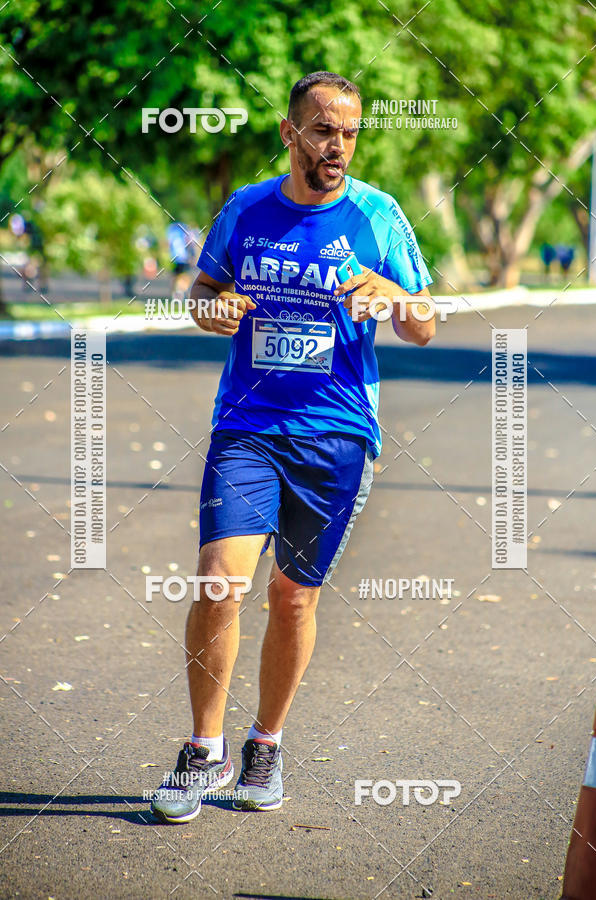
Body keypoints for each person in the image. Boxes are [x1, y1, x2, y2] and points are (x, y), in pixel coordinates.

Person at [151, 71, 435, 824]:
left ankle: (265, 744)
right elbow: (202, 291)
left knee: (292, 595)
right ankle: (201, 750)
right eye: (321, 130)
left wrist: (391, 294)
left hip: (338, 434)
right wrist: (214, 311)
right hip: (248, 427)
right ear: (290, 133)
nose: (336, 145)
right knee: (220, 581)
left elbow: (425, 323)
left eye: (348, 132)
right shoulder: (246, 210)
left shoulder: (378, 216)